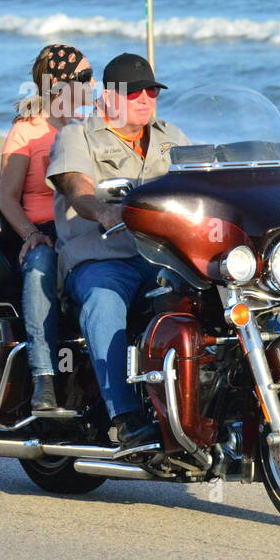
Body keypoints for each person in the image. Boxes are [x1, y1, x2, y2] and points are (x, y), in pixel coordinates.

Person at [46, 53, 190, 453]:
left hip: (164, 257)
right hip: (103, 258)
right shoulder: (78, 135)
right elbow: (76, 187)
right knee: (104, 302)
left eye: (152, 91)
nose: (146, 99)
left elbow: (205, 183)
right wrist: (104, 211)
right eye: (134, 92)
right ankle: (126, 418)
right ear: (108, 96)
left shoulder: (171, 136)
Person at [0, 44, 94, 416]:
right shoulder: (26, 130)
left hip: (80, 228)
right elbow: (7, 198)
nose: (93, 84)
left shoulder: (84, 129)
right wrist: (30, 235)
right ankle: (44, 378)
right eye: (84, 78)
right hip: (41, 230)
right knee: (40, 265)